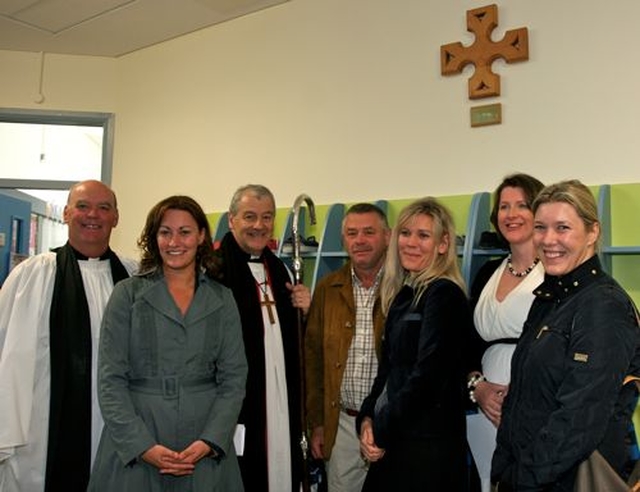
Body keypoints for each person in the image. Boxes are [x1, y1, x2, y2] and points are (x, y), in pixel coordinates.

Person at [88, 195, 247, 491]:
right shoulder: (127, 295)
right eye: (165, 232)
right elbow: (110, 380)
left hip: (203, 441)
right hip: (138, 440)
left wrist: (210, 440)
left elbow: (234, 379)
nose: (175, 241)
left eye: (185, 232)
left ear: (201, 236)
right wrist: (142, 446)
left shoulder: (222, 299)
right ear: (154, 237)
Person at [492, 180, 640, 491]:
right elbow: (523, 397)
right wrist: (503, 468)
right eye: (541, 228)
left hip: (564, 481)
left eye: (562, 228)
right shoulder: (549, 298)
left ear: (593, 233)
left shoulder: (603, 306)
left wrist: (522, 480)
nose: (548, 240)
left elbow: (579, 419)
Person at [0, 180, 136, 491]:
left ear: (116, 217)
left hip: (117, 424)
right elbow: (6, 355)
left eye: (104, 208)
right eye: (83, 206)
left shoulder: (133, 277)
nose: (94, 215)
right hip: (44, 430)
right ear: (66, 213)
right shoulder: (32, 276)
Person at [356, 197, 473, 491]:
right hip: (397, 439)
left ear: (443, 244)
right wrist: (367, 419)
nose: (411, 243)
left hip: (428, 449)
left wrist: (381, 430)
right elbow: (387, 370)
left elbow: (428, 378)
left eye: (423, 235)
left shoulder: (444, 295)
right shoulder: (404, 296)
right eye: (405, 234)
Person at [215, 184, 312, 492]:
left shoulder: (279, 268)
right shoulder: (214, 269)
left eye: (267, 217)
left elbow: (294, 337)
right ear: (232, 220)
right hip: (240, 399)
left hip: (281, 394)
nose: (259, 225)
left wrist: (305, 312)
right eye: (250, 216)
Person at [466, 173, 545, 492]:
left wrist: (521, 390)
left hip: (536, 403)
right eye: (503, 207)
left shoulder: (555, 273)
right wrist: (477, 387)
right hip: (484, 407)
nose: (511, 214)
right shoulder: (487, 272)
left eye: (522, 205)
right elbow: (465, 343)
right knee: (489, 481)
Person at [305, 203, 390, 491]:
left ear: (388, 237)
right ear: (343, 240)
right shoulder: (328, 289)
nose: (360, 240)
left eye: (369, 232)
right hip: (342, 423)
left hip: (392, 424)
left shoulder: (404, 287)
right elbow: (313, 361)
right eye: (352, 233)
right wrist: (317, 424)